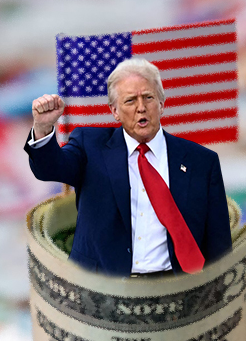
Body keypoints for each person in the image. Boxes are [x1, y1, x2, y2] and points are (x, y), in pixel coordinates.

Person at [24, 57, 232, 277]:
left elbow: (218, 244)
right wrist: (43, 128)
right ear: (115, 111)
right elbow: (49, 169)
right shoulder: (90, 146)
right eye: (130, 100)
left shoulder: (201, 161)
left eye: (148, 98)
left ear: (161, 104)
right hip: (101, 285)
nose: (141, 108)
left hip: (174, 286)